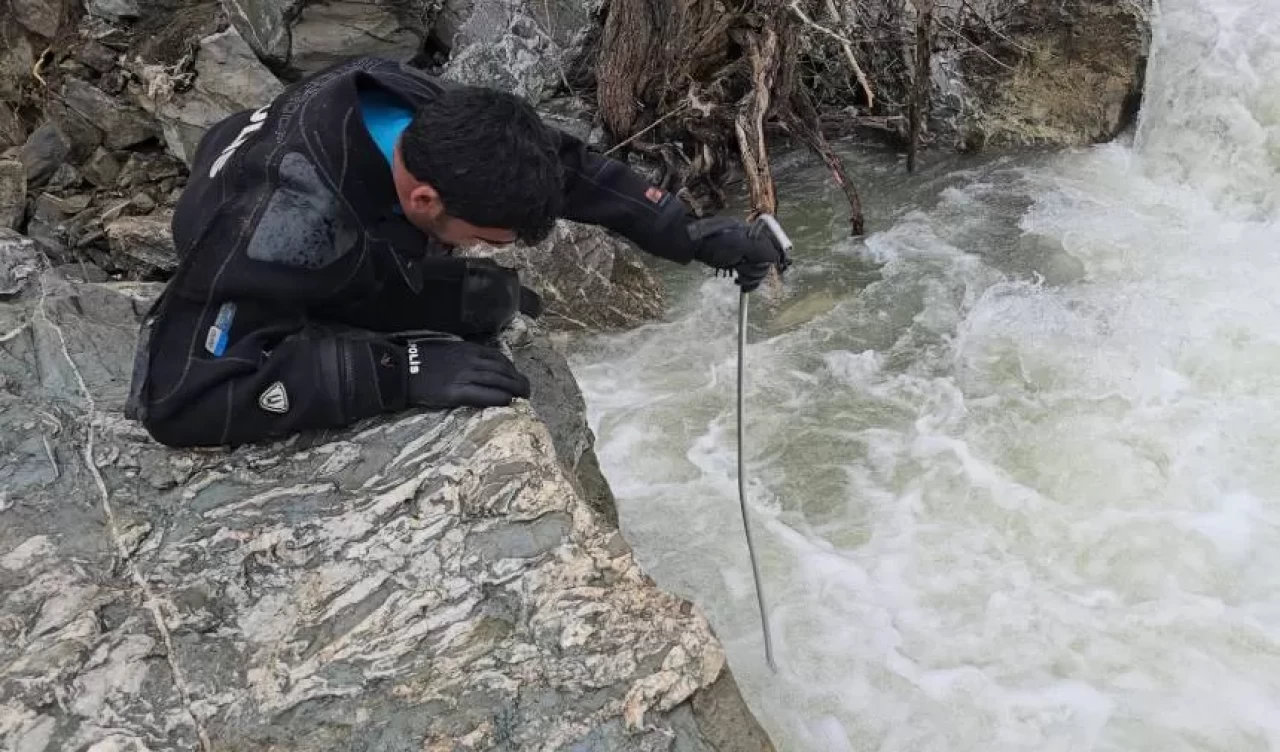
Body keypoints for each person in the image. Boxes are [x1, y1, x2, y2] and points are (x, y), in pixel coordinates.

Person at [125, 56, 787, 448]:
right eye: (486, 239)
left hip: (316, 170)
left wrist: (686, 234)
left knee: (491, 301)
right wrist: (398, 373)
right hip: (234, 208)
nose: (489, 249)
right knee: (461, 309)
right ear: (424, 201)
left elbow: (561, 165)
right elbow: (179, 399)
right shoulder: (286, 233)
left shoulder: (420, 107)